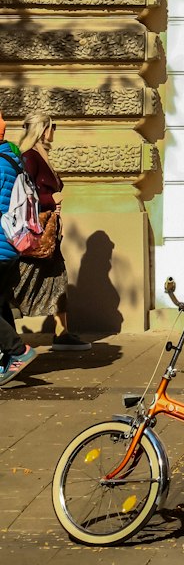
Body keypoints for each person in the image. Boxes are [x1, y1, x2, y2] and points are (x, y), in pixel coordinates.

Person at [13, 112, 89, 352]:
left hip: (49, 234)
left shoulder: (42, 157)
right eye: (52, 126)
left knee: (59, 279)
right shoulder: (29, 158)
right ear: (43, 129)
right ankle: (9, 336)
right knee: (18, 282)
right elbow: (23, 194)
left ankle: (61, 333)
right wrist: (49, 200)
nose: (54, 131)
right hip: (35, 235)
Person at [0, 113, 37, 387]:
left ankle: (18, 352)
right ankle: (8, 358)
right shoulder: (12, 158)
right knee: (1, 303)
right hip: (11, 244)